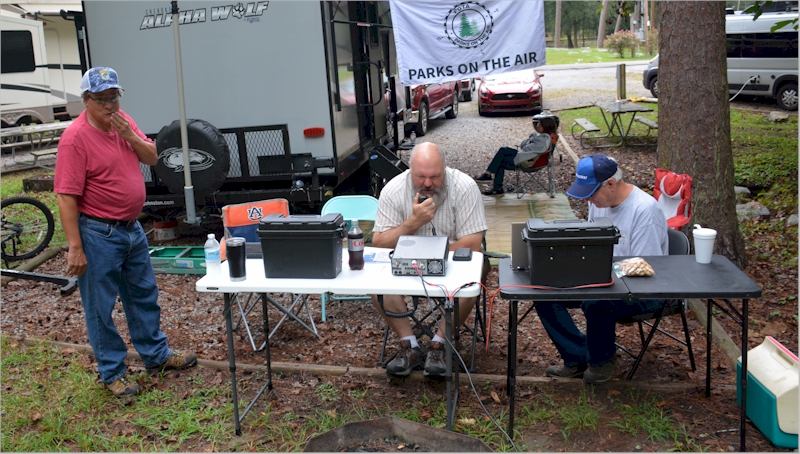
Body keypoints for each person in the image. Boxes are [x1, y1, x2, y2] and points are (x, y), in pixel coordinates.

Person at [54, 67, 197, 398]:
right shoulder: (75, 139)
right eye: (102, 99)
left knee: (143, 294)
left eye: (114, 97)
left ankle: (156, 355)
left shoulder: (123, 121)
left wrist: (130, 135)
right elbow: (65, 195)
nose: (109, 106)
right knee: (100, 306)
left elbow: (152, 156)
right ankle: (112, 372)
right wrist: (75, 247)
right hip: (98, 232)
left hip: (132, 228)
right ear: (86, 100)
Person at [535, 155, 669, 384]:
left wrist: (603, 271)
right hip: (604, 278)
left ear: (610, 184)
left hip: (645, 290)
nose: (588, 198)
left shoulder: (644, 210)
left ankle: (601, 362)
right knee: (543, 291)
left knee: (596, 301)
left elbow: (648, 266)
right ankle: (576, 357)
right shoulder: (599, 203)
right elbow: (592, 244)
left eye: (591, 192)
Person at [371, 142, 488, 377]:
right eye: (420, 176)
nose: (427, 183)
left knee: (471, 280)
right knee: (377, 284)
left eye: (435, 177)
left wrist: (436, 256)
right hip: (407, 265)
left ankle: (439, 345)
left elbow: (474, 243)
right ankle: (409, 345)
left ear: (445, 169)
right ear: (410, 170)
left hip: (454, 262)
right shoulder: (394, 189)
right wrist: (412, 223)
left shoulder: (464, 187)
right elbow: (380, 242)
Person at [475, 113, 559, 195]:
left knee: (501, 156)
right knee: (502, 154)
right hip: (532, 158)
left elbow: (524, 147)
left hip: (529, 162)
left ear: (545, 127)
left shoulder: (543, 139)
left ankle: (490, 178)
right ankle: (493, 183)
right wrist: (532, 140)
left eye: (539, 125)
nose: (537, 126)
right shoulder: (549, 136)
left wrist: (531, 139)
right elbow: (526, 147)